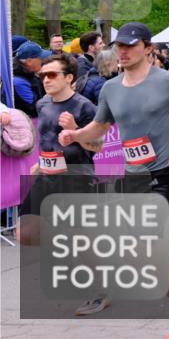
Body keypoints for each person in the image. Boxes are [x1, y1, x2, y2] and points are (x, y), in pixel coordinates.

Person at [59, 22, 169, 339]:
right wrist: (75, 135)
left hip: (164, 172)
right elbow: (99, 127)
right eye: (119, 45)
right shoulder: (111, 88)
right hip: (133, 175)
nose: (122, 51)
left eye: (130, 45)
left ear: (148, 48)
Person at [15, 52, 111, 316]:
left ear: (69, 78)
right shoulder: (42, 104)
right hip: (47, 175)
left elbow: (98, 146)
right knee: (24, 233)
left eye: (52, 74)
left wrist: (77, 130)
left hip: (76, 178)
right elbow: (47, 139)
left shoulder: (84, 107)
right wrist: (39, 163)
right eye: (42, 75)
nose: (46, 80)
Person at [13, 42, 49, 117]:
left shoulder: (28, 73)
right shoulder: (18, 82)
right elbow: (33, 109)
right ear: (29, 61)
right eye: (40, 58)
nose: (43, 60)